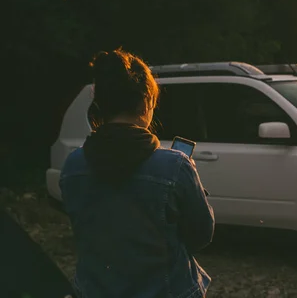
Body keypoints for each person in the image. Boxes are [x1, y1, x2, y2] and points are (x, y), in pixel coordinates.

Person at [60, 48, 214, 298]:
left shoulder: (73, 166)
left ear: (100, 104)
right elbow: (200, 235)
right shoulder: (174, 167)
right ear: (145, 101)